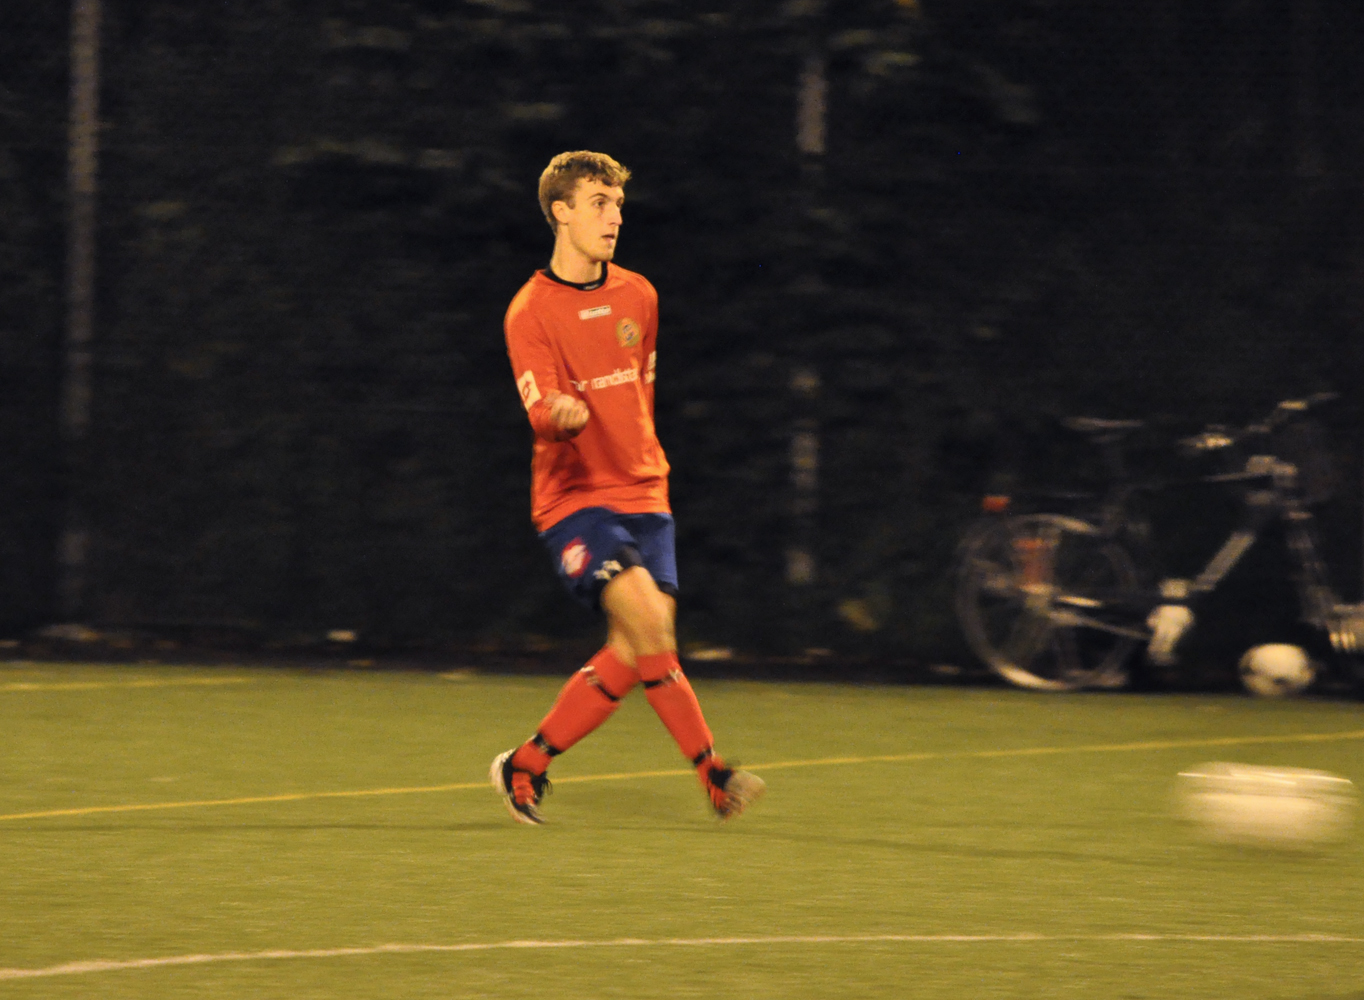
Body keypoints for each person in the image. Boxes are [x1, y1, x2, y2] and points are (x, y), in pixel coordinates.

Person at [490, 150, 765, 824]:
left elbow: (638, 387)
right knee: (649, 624)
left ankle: (526, 763)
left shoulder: (639, 295)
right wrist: (558, 415)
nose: (614, 217)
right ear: (561, 212)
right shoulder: (530, 311)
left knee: (632, 646)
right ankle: (712, 771)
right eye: (598, 203)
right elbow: (539, 410)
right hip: (574, 498)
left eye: (617, 204)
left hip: (645, 491)